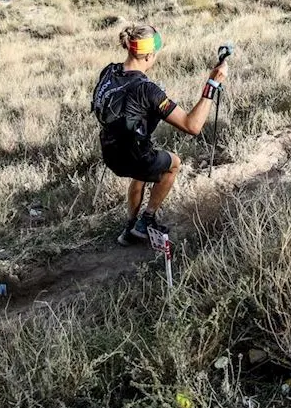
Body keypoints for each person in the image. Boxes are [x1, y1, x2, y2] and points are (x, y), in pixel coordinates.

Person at [92, 25, 227, 245]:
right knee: (173, 164)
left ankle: (130, 227)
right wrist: (212, 84)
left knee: (142, 171)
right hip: (133, 156)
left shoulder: (109, 72)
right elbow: (192, 126)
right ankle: (146, 220)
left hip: (110, 153)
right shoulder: (148, 90)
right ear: (149, 54)